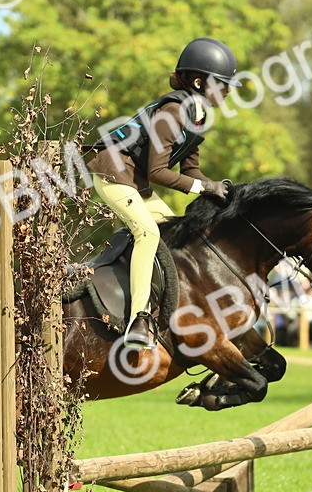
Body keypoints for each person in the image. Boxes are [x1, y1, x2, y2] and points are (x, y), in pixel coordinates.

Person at [87, 37, 241, 350]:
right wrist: (204, 188)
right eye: (222, 84)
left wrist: (219, 188)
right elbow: (158, 172)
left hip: (136, 180)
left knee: (175, 235)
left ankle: (165, 308)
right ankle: (138, 319)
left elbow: (191, 172)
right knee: (148, 233)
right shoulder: (172, 111)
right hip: (113, 172)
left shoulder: (197, 116)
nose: (227, 91)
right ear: (199, 82)